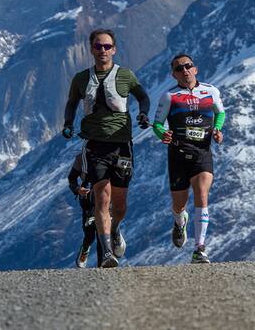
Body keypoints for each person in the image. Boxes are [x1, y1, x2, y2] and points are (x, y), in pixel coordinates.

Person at [62, 29, 151, 268]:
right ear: (91, 49)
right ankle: (107, 254)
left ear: (114, 49)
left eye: (107, 46)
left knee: (119, 205)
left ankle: (116, 228)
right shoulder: (81, 79)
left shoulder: (125, 76)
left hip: (122, 145)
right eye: (98, 46)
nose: (103, 50)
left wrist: (143, 113)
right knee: (102, 197)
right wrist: (68, 124)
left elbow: (143, 96)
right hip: (94, 145)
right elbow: (71, 103)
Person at [152, 53, 225, 264]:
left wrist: (218, 129)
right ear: (174, 75)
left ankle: (199, 248)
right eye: (178, 69)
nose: (184, 71)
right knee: (179, 204)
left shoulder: (210, 91)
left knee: (202, 194)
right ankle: (179, 220)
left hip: (202, 152)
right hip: (178, 154)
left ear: (195, 69)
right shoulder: (169, 96)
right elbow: (157, 124)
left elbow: (220, 113)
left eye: (188, 66)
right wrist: (161, 134)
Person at [67, 153, 97, 268]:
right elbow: (72, 177)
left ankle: (115, 237)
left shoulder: (110, 153)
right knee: (90, 233)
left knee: (111, 224)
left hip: (106, 194)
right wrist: (78, 189)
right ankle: (85, 248)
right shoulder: (81, 158)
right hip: (88, 197)